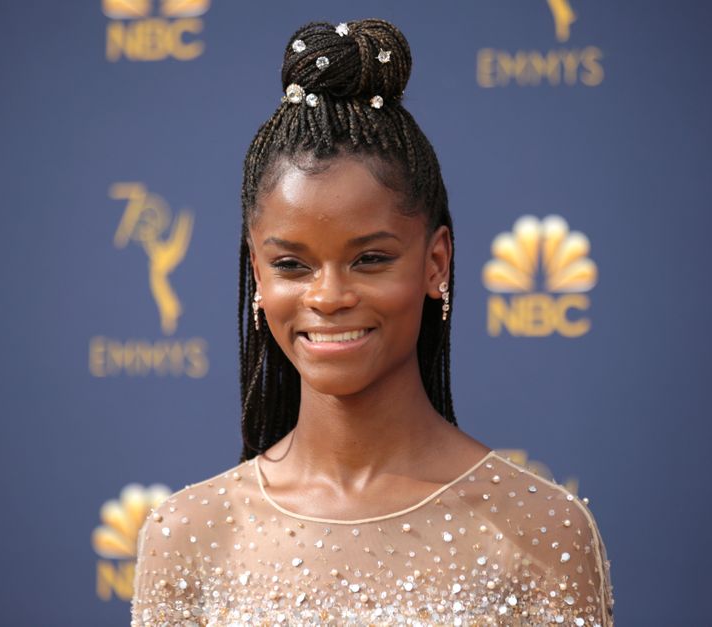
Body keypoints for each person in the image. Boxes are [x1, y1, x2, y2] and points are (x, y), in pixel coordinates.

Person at [131, 18, 614, 626]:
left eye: (370, 259)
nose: (328, 296)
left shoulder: (540, 531)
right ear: (257, 273)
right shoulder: (186, 536)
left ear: (436, 262)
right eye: (292, 264)